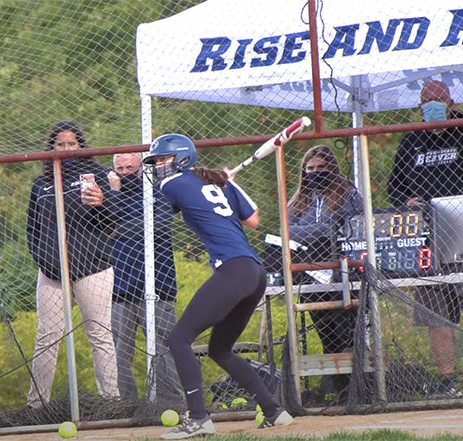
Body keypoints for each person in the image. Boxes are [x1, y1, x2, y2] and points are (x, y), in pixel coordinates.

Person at [143, 134, 293, 439]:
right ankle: (274, 410)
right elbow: (253, 219)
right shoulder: (220, 183)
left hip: (233, 271)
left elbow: (162, 214)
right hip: (253, 272)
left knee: (178, 340)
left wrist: (217, 184)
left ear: (182, 158)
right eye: (156, 161)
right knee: (220, 350)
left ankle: (198, 418)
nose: (158, 167)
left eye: (163, 160)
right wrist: (227, 183)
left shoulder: (171, 185)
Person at [387, 80, 463, 398]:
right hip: (429, 241)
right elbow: (394, 188)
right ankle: (447, 381)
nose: (432, 107)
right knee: (436, 317)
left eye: (438, 101)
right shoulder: (411, 140)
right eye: (426, 102)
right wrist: (407, 202)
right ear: (419, 107)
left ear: (451, 103)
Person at [25, 120, 119, 408]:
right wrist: (47, 262)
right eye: (60, 144)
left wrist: (104, 200)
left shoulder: (101, 176)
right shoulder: (41, 184)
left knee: (100, 335)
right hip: (52, 274)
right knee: (46, 339)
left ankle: (111, 402)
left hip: (94, 269)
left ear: (81, 146)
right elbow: (32, 230)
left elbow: (114, 223)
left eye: (72, 143)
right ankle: (36, 405)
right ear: (51, 147)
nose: (66, 148)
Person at [107, 152, 183, 403]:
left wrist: (120, 229)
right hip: (119, 286)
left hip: (158, 282)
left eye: (130, 166)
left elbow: (157, 224)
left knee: (163, 347)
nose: (125, 171)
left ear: (141, 167)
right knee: (119, 352)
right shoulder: (108, 193)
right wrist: (115, 195)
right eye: (120, 167)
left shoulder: (158, 190)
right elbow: (105, 226)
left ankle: (170, 402)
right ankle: (125, 405)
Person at [287, 145, 362, 399]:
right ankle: (335, 387)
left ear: (332, 169)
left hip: (342, 277)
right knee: (327, 335)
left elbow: (348, 227)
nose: (315, 173)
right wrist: (319, 231)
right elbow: (289, 232)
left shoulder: (347, 195)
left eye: (321, 168)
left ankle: (355, 386)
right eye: (310, 169)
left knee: (347, 334)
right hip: (309, 278)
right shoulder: (298, 202)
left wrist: (317, 231)